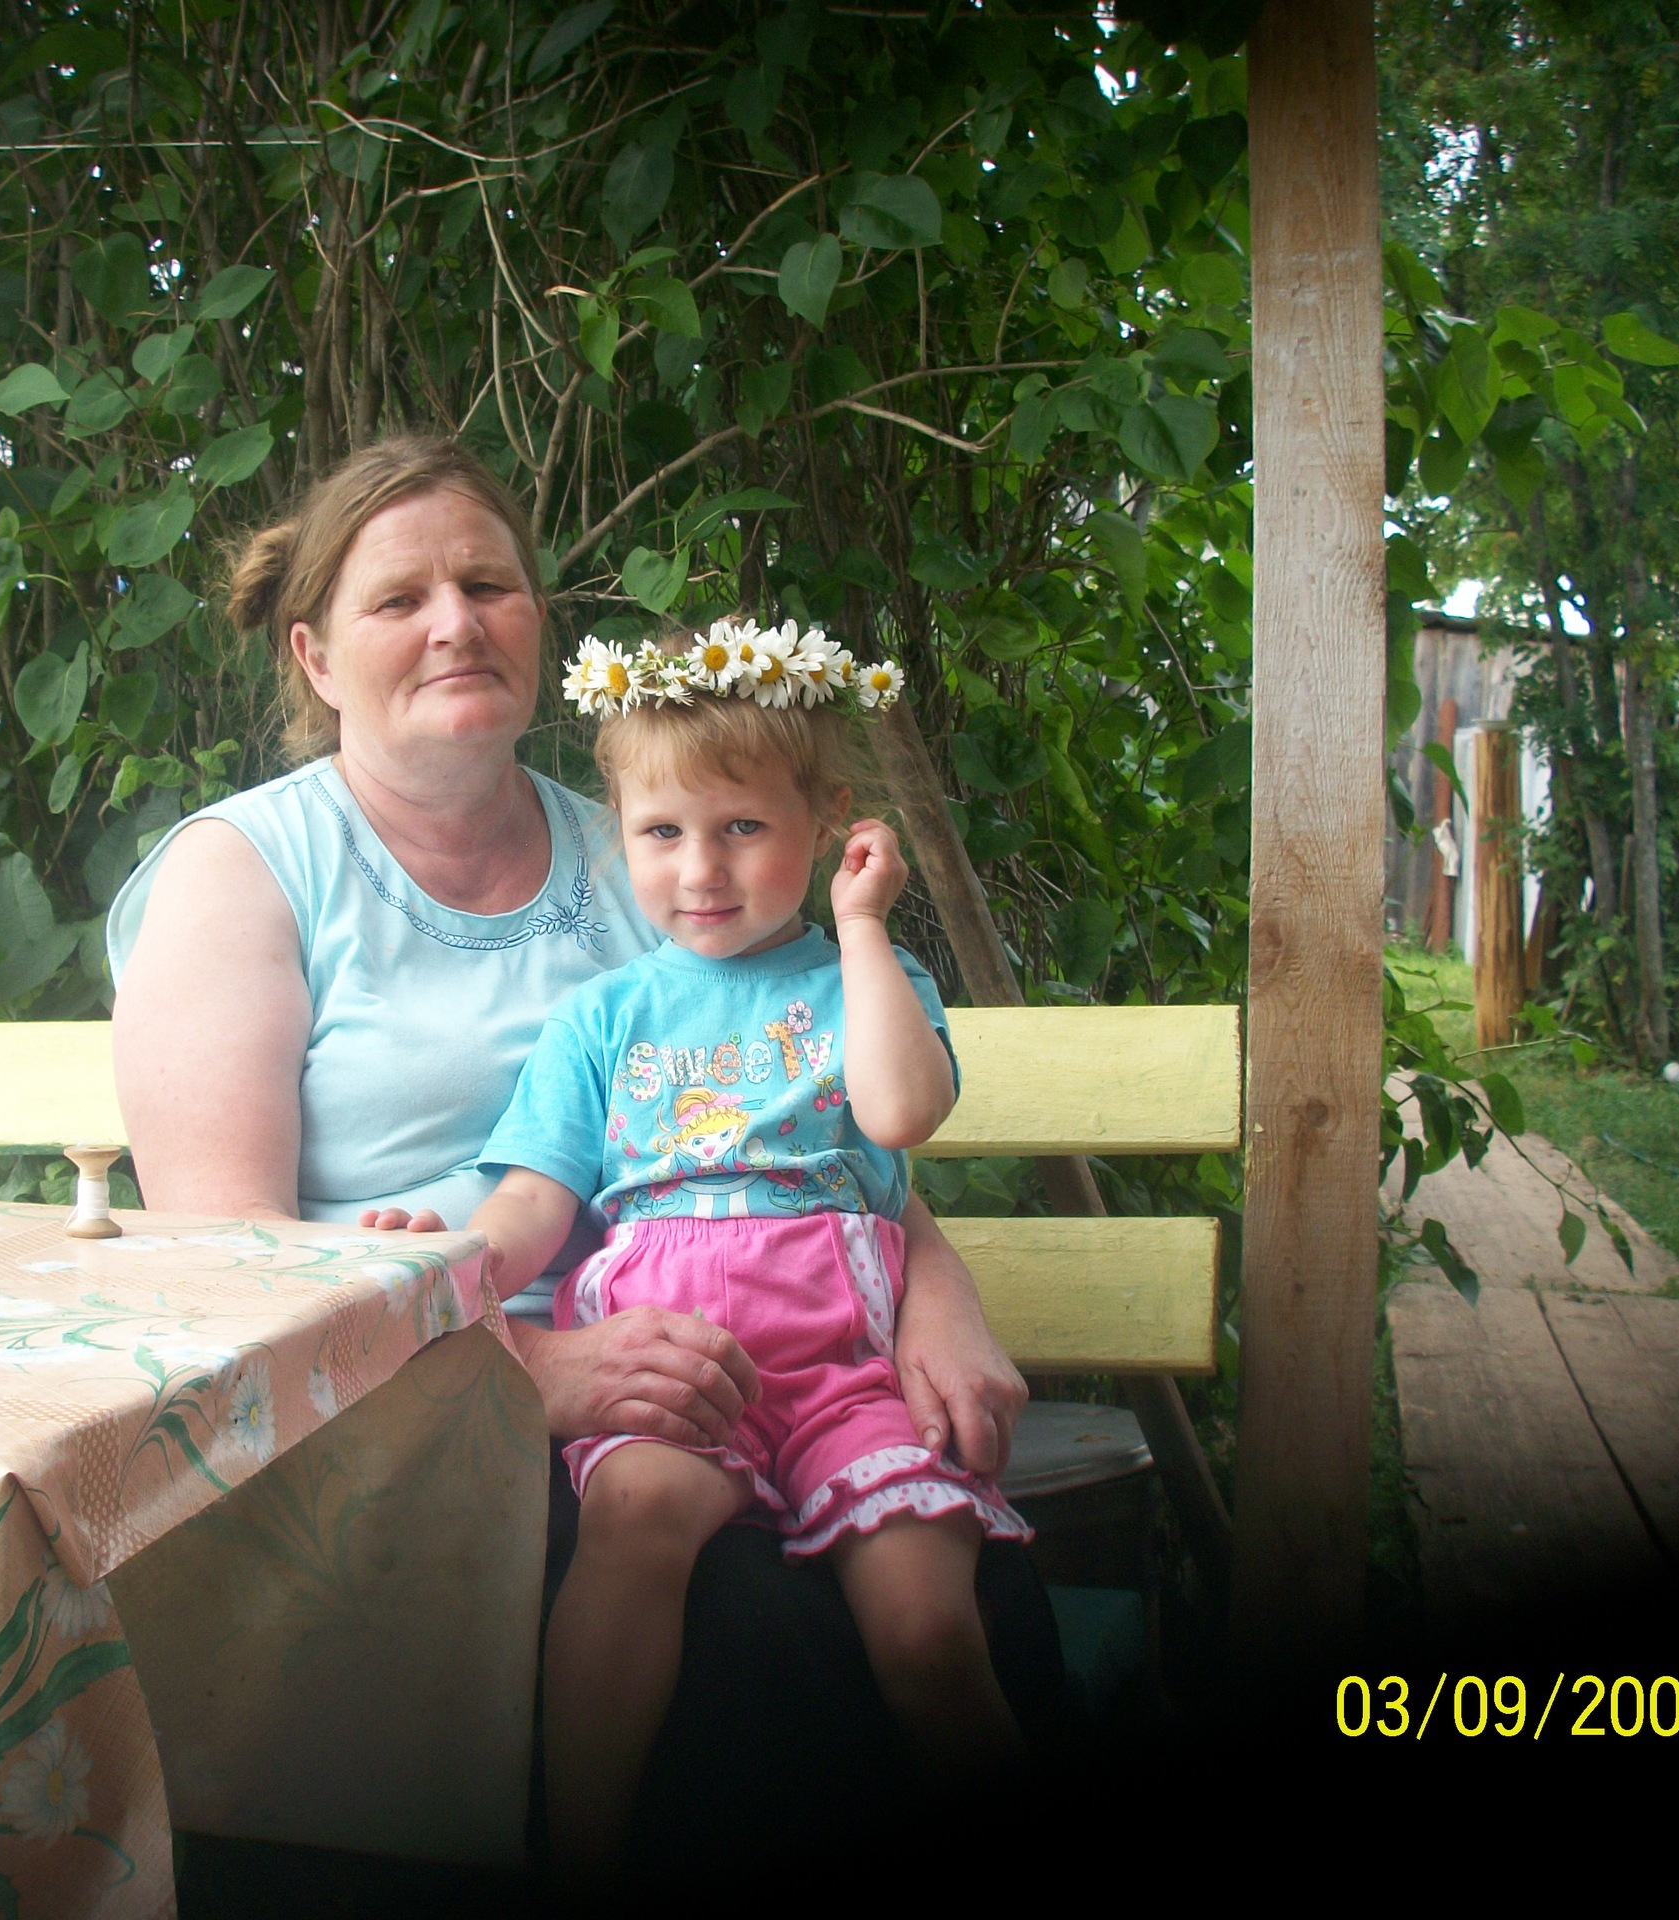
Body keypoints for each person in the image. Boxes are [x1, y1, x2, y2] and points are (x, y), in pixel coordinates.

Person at [106, 435, 1056, 1869]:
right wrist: (527, 1373)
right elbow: (223, 1261)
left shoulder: (649, 847)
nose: (455, 622)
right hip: (406, 1392)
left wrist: (939, 1297)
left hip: (733, 1351)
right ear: (313, 656)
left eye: (487, 584)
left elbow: (787, 1118)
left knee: (941, 1571)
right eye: (399, 599)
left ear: (539, 619)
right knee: (742, 1617)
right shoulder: (243, 873)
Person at [472, 625, 1027, 1879]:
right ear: (620, 833)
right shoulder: (602, 1018)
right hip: (674, 1367)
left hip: (849, 1378)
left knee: (927, 1623)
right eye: (662, 832)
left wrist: (863, 929)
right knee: (633, 1517)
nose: (701, 870)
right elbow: (535, 1202)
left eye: (741, 828)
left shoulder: (866, 985)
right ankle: (581, 1856)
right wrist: (447, 1265)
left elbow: (899, 1116)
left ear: (826, 820)